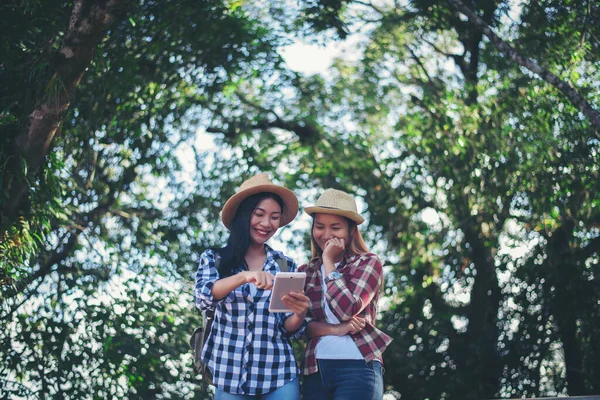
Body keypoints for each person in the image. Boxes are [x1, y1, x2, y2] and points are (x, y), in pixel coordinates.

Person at [193, 173, 309, 399]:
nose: (267, 224)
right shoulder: (215, 259)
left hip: (278, 376)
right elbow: (203, 297)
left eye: (274, 217)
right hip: (229, 376)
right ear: (243, 215)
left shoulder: (284, 264)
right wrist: (245, 276)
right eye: (259, 214)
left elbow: (288, 327)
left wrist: (300, 313)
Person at [298, 188, 392, 400]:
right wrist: (339, 329)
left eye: (336, 228)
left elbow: (347, 308)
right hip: (316, 369)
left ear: (351, 231)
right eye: (320, 227)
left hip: (358, 365)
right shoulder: (305, 272)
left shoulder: (368, 262)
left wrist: (329, 262)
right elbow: (303, 327)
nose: (326, 235)